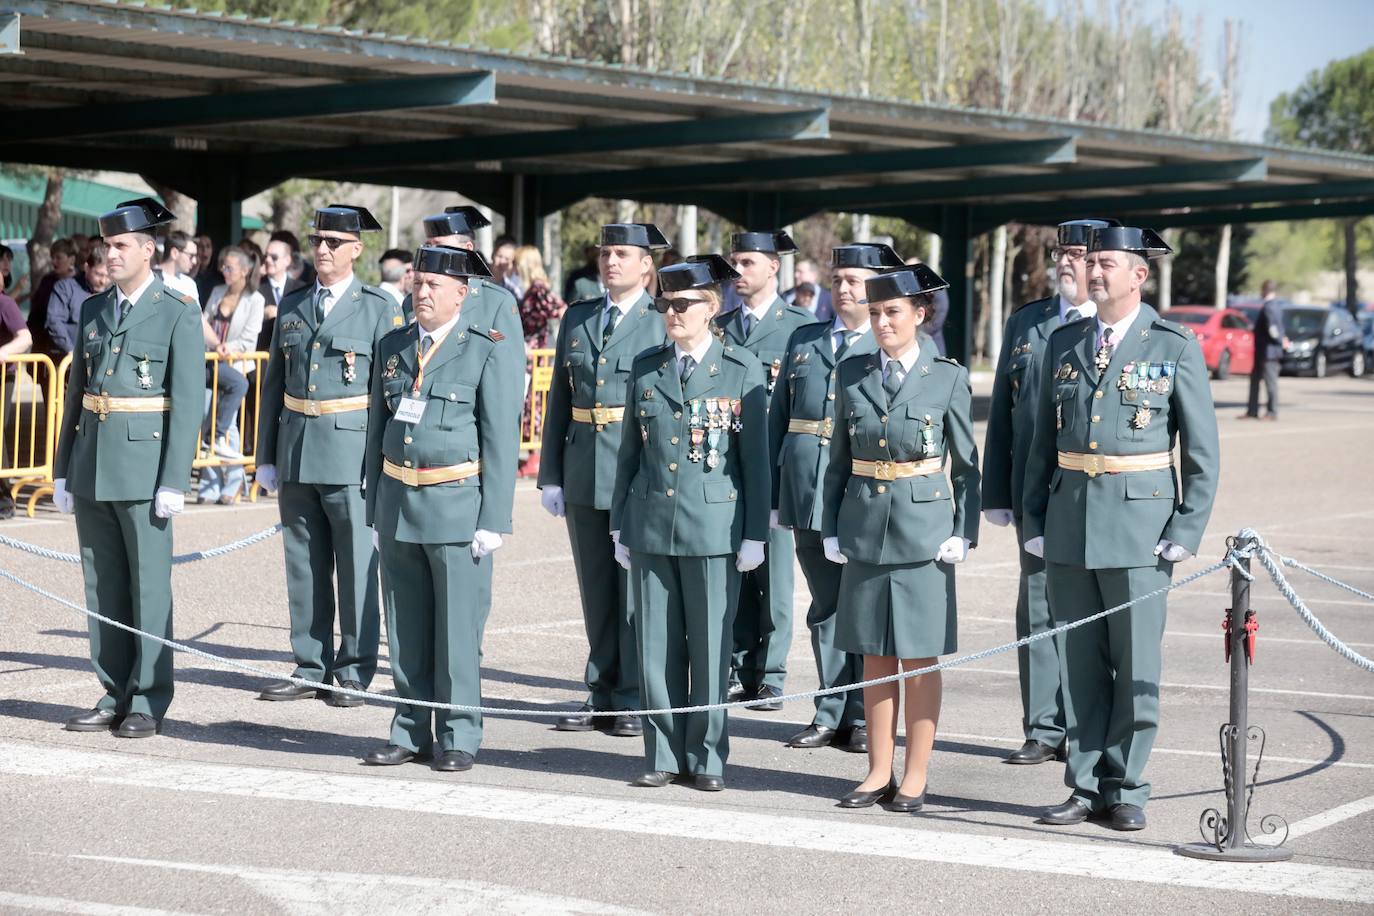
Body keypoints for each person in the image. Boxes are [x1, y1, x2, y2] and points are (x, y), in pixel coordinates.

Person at [1022, 226, 1220, 832]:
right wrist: (1034, 518)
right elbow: (1041, 442)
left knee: (1135, 665)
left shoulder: (1174, 345)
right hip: (1070, 521)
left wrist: (1186, 527)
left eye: (1108, 263)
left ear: (1140, 274)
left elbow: (1201, 451)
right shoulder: (1064, 341)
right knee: (1078, 661)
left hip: (1140, 524)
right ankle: (1083, 785)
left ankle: (1127, 785)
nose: (1095, 272)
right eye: (1093, 263)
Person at [821, 262, 980, 812]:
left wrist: (965, 530)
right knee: (873, 656)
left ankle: (915, 774)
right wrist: (830, 526)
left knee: (918, 658)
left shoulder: (948, 377)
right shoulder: (851, 373)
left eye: (892, 312)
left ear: (920, 314)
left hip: (924, 534)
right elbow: (837, 460)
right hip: (865, 527)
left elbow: (966, 468)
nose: (882, 322)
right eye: (874, 313)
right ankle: (876, 771)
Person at [611, 254, 770, 791]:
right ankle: (661, 752)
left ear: (712, 307)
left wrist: (754, 535)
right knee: (654, 645)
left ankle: (706, 757)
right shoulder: (647, 366)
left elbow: (754, 463)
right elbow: (629, 453)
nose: (672, 313)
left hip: (713, 527)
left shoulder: (741, 369)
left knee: (708, 648)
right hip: (651, 521)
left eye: (683, 304)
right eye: (664, 304)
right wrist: (618, 525)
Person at [361, 245, 522, 771]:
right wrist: (375, 511)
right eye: (418, 282)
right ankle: (409, 729)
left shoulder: (484, 348)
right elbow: (375, 432)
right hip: (399, 501)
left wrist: (493, 518)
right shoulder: (393, 344)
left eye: (434, 285)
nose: (423, 292)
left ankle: (458, 734)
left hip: (456, 506)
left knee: (456, 632)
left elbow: (500, 438)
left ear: (463, 293)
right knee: (405, 629)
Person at [51, 198, 202, 737]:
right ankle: (113, 690)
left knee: (148, 586)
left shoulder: (178, 309)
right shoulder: (95, 309)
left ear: (147, 249)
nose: (109, 254)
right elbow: (76, 394)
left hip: (144, 465)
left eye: (119, 246)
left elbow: (188, 401)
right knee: (103, 586)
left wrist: (174, 479)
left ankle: (148, 698)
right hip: (93, 462)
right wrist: (63, 467)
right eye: (105, 246)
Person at [253, 205, 403, 707]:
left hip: (351, 453)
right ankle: (309, 664)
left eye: (335, 242)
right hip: (297, 448)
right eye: (318, 240)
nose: (323, 249)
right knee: (304, 564)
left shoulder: (380, 307)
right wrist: (266, 455)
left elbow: (392, 393)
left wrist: (384, 461)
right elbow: (273, 385)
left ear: (357, 250)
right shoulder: (294, 305)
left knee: (357, 563)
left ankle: (355, 668)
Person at [981, 218, 1115, 766]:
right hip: (1036, 491)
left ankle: (1089, 728)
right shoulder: (1029, 324)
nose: (1066, 261)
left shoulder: (1114, 329)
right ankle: (1043, 727)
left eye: (1080, 254)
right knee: (1036, 607)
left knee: (1094, 614)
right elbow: (1004, 418)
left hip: (1096, 493)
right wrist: (995, 491)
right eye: (1061, 251)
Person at [768, 243, 905, 753]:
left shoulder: (890, 340)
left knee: (866, 609)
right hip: (806, 490)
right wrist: (776, 494)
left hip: (861, 494)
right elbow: (777, 420)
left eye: (854, 279)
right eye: (838, 278)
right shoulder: (805, 339)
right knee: (825, 607)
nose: (843, 288)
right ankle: (831, 710)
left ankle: (867, 712)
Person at [539, 223, 670, 737]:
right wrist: (551, 473)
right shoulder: (579, 316)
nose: (610, 261)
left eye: (622, 254)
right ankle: (602, 692)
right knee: (596, 590)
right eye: (605, 253)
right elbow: (558, 402)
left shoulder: (661, 320)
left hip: (633, 470)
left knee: (635, 592)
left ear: (645, 264)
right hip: (583, 466)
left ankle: (636, 695)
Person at [716, 230, 815, 708]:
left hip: (773, 466)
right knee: (736, 568)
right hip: (724, 464)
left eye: (749, 263)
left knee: (774, 575)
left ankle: (771, 671)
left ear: (774, 267)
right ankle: (738, 667)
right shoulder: (719, 324)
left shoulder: (798, 325)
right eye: (734, 263)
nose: (739, 272)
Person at [198, 247, 264, 503]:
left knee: (229, 427)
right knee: (206, 417)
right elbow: (203, 321)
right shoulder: (217, 292)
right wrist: (216, 346)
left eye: (230, 268)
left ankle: (234, 481)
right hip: (210, 361)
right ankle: (209, 483)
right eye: (223, 267)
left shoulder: (255, 299)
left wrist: (229, 349)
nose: (224, 272)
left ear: (245, 271)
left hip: (234, 365)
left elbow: (249, 338)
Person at [0, 284, 33, 519]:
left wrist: (2, 353)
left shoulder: (5, 304)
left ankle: (4, 499)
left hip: (3, 376)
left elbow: (24, 338)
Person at [46, 246, 112, 358]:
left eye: (108, 276)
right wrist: (71, 350)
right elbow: (54, 322)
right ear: (87, 268)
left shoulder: (115, 292)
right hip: (68, 362)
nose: (103, 281)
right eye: (99, 274)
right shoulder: (65, 288)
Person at [1242, 280, 1288, 421]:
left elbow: (1273, 329)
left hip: (1268, 352)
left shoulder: (1269, 307)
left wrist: (1281, 341)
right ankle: (1252, 410)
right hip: (1264, 351)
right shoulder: (1276, 306)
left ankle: (1272, 412)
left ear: (1265, 290)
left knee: (1270, 383)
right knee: (1255, 380)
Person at [27, 237, 78, 358]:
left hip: (72, 350)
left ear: (71, 259)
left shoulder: (81, 283)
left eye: (59, 257)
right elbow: (35, 313)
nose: (54, 261)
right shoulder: (47, 281)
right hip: (43, 348)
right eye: (52, 257)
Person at [258, 235, 309, 351]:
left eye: (274, 257)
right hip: (264, 358)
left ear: (287, 260)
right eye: (266, 256)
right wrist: (262, 313)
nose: (268, 260)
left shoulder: (302, 289)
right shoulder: (255, 288)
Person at [156, 231, 202, 308]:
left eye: (195, 256)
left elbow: (198, 316)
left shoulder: (189, 284)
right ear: (174, 253)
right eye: (191, 256)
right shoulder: (149, 277)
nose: (195, 261)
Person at [784, 257, 833, 322]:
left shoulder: (828, 298)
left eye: (800, 272)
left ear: (813, 275)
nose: (796, 275)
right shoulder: (786, 296)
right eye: (795, 271)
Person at [491, 235, 521, 300]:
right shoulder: (480, 277)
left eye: (507, 259)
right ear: (493, 254)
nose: (502, 261)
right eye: (499, 256)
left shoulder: (514, 287)